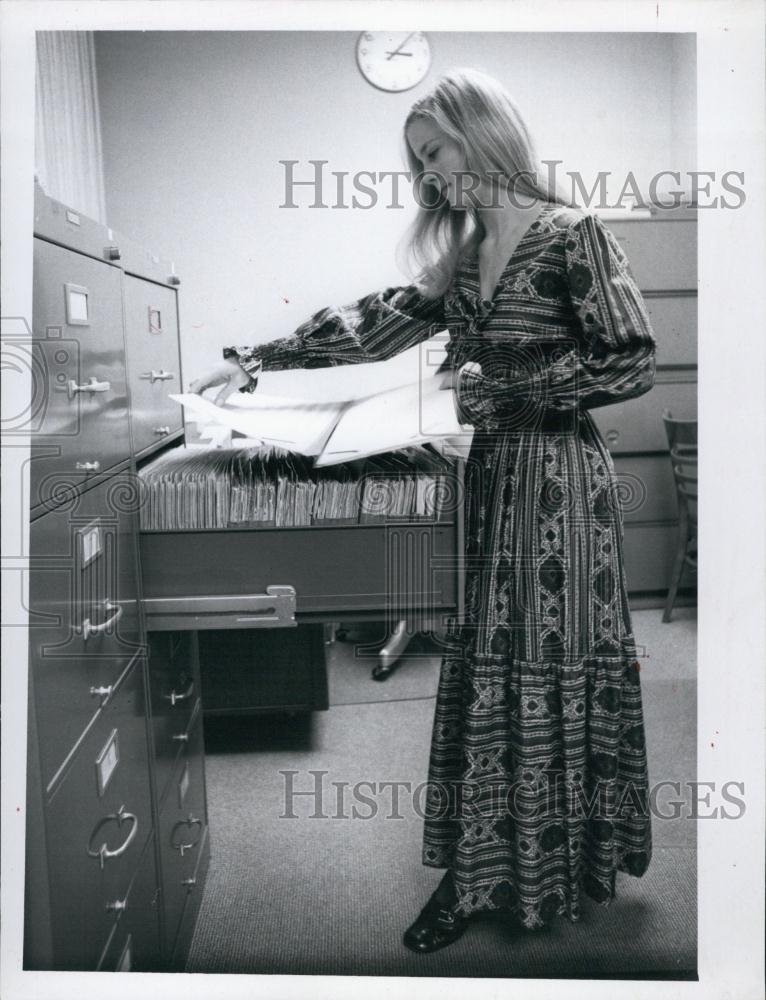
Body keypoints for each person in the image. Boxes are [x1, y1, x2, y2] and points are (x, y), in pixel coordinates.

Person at [189, 67, 656, 954]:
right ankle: (477, 873)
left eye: (436, 151)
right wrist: (252, 358)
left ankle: (566, 864)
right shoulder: (467, 253)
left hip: (562, 484)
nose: (430, 175)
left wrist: (510, 391)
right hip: (492, 485)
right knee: (488, 661)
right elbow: (373, 322)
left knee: (553, 657)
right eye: (418, 162)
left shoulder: (573, 234)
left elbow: (630, 361)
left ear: (484, 131)